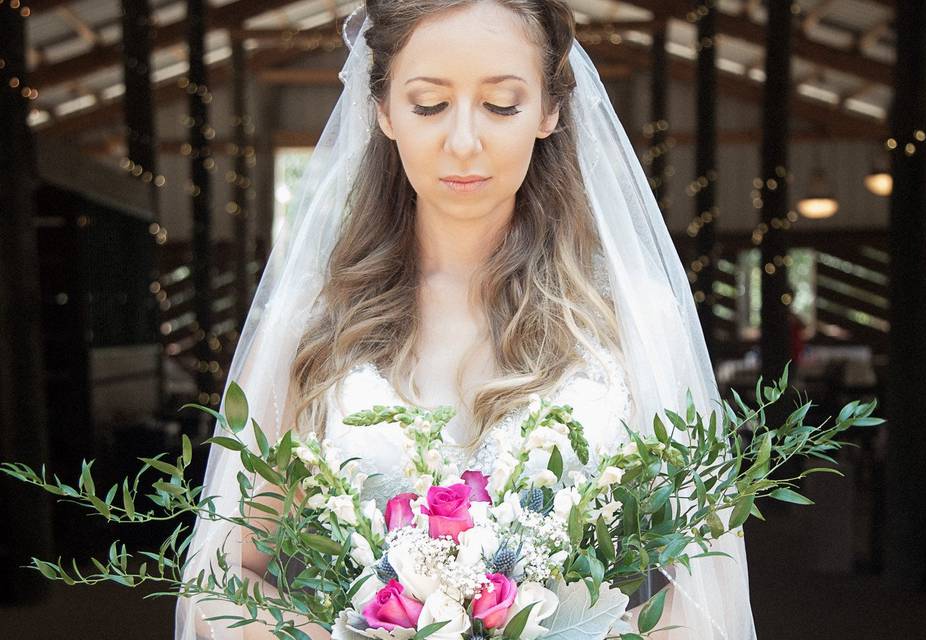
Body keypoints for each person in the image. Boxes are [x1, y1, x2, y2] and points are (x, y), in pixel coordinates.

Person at [175, 2, 756, 638]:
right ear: (384, 111)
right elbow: (222, 576)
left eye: (502, 104)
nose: (463, 141)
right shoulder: (314, 326)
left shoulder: (634, 320)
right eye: (428, 105)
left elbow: (705, 581)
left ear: (550, 110)